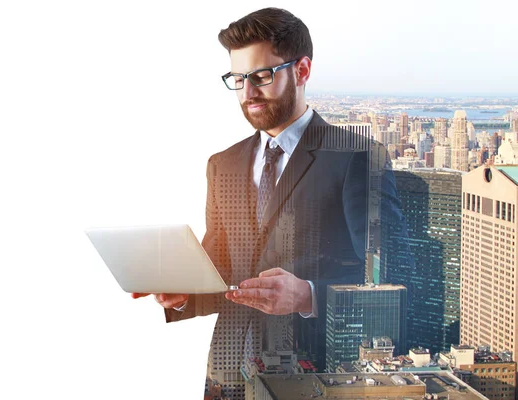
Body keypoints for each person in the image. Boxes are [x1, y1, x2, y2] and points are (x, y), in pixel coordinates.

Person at [133, 8, 407, 400]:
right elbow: (225, 271)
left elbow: (396, 277)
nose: (248, 93)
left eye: (261, 77)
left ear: (302, 70)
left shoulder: (358, 158)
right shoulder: (221, 165)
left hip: (317, 376)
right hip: (227, 376)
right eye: (238, 79)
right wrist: (184, 292)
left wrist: (309, 294)